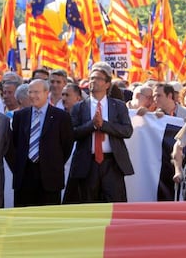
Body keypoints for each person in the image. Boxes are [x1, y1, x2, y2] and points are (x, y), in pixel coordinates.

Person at [70, 61, 134, 203]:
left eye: (98, 78)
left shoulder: (118, 106)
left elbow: (127, 130)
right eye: (91, 78)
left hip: (112, 163)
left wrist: (104, 125)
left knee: (114, 203)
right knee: (88, 204)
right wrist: (91, 125)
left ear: (107, 84)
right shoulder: (79, 108)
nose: (93, 81)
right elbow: (72, 133)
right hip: (88, 164)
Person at [11, 79, 74, 207]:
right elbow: (15, 144)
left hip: (50, 176)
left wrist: (52, 161)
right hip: (25, 176)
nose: (33, 96)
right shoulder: (20, 116)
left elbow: (66, 146)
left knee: (48, 217)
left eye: (37, 92)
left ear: (47, 93)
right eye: (30, 92)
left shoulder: (61, 117)